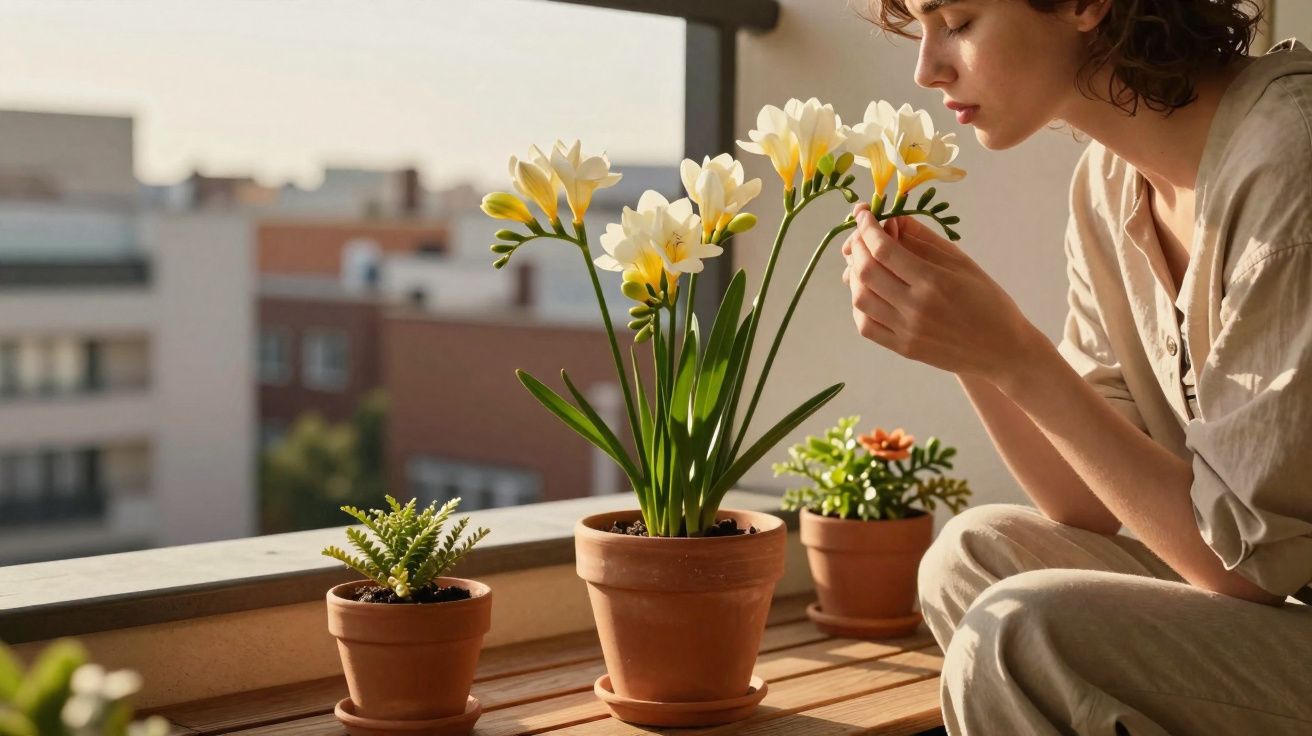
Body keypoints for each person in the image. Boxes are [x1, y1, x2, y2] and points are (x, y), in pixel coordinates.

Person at [840, 1, 1312, 733]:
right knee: (972, 557)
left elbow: (1248, 566)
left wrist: (1014, 354)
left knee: (1018, 631)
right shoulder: (1108, 186)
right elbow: (1086, 503)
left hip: (1281, 603)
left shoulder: (1291, 161)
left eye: (958, 21)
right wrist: (970, 348)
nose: (926, 67)